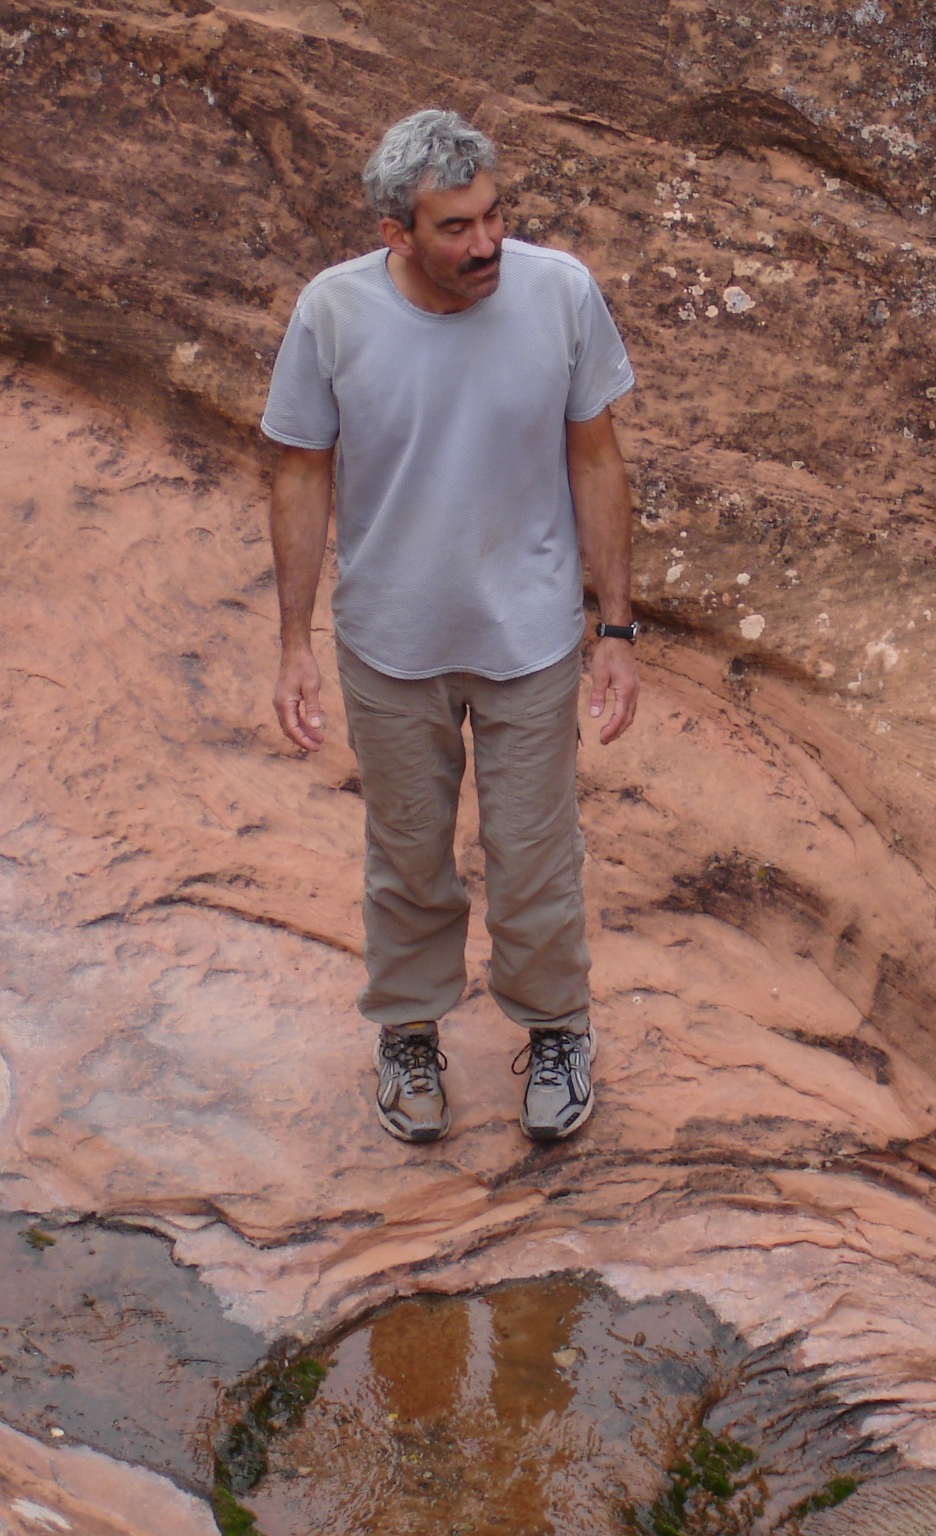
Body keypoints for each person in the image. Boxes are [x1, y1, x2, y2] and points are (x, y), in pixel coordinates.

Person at [258, 108, 640, 1145]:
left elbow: (596, 458)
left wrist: (615, 632)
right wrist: (293, 645)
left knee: (534, 858)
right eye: (455, 227)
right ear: (396, 232)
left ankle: (556, 1030)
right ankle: (409, 1032)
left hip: (529, 641)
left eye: (492, 216)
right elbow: (301, 474)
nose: (485, 244)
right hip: (390, 644)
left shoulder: (559, 293)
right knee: (407, 857)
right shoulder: (333, 313)